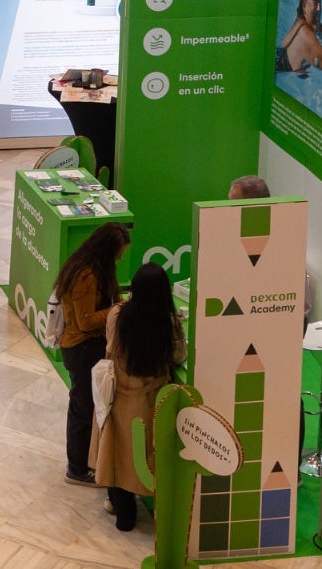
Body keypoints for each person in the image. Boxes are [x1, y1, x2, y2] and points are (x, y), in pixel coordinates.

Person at [91, 261, 187, 530]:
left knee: (115, 454)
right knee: (146, 457)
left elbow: (110, 347)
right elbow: (179, 355)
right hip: (150, 402)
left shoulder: (117, 316)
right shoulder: (167, 324)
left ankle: (123, 511)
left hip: (117, 398)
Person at [53, 220, 132, 486]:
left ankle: (84, 462)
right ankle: (76, 469)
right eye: (118, 252)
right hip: (81, 348)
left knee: (85, 406)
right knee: (82, 407)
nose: (121, 257)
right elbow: (86, 321)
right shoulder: (86, 275)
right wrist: (118, 309)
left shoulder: (94, 268)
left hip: (86, 346)